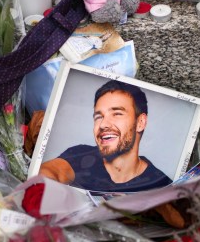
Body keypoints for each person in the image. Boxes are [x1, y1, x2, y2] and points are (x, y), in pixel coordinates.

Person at [39, 80, 172, 192]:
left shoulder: (162, 185)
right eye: (99, 116)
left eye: (117, 114)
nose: (103, 124)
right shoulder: (81, 155)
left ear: (140, 122)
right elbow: (50, 172)